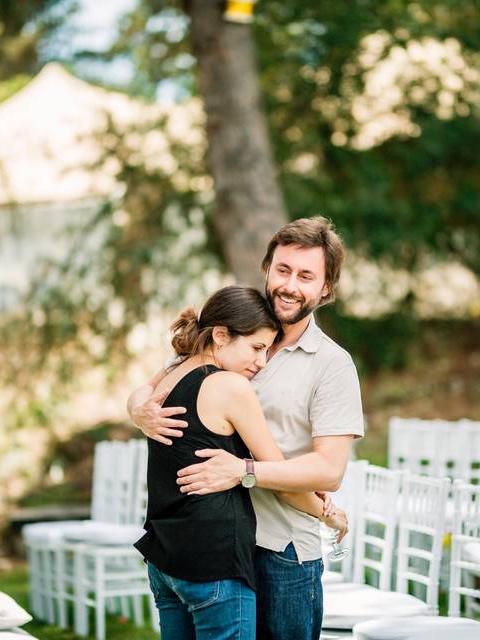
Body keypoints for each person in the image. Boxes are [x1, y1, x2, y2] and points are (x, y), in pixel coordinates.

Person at [129, 217, 364, 640]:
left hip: (282, 551)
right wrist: (137, 410)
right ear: (267, 269)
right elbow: (151, 389)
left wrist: (243, 471)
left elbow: (329, 471)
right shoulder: (230, 331)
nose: (290, 284)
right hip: (213, 545)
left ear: (325, 289)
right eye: (283, 270)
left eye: (306, 275)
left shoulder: (332, 366)